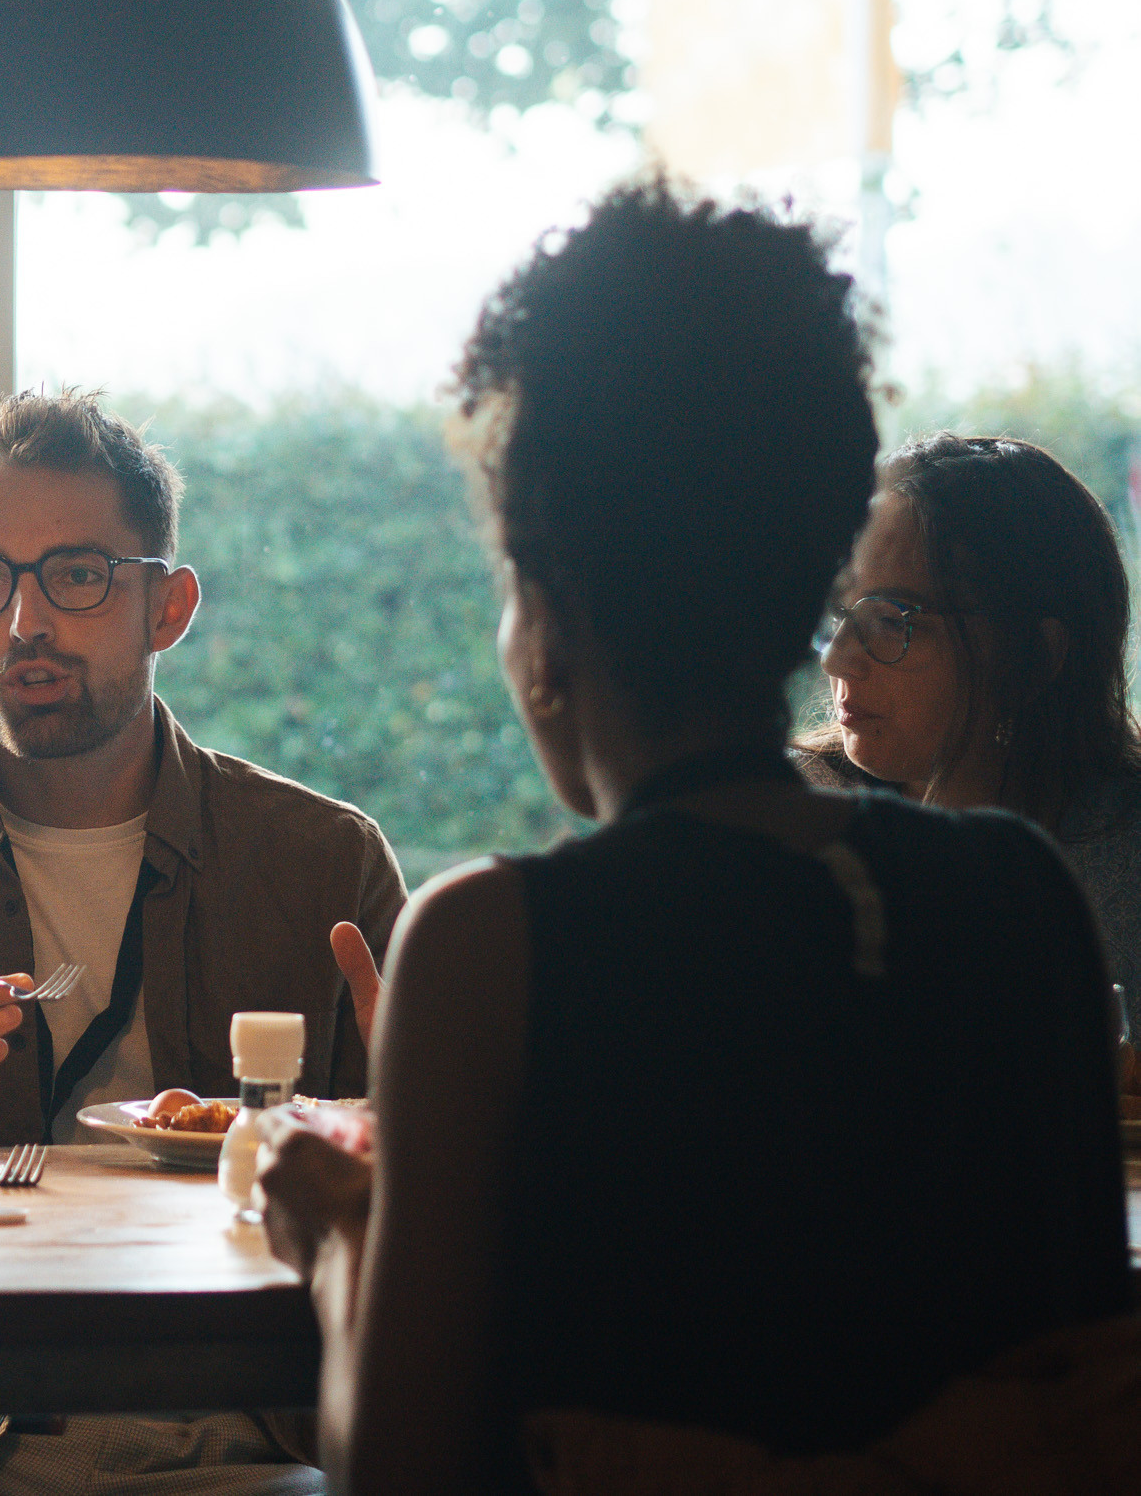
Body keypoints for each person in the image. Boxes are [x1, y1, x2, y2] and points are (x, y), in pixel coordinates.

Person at [255, 184, 1132, 1495]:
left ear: (544, 618)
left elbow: (398, 1472)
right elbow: (1083, 1406)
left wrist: (337, 1232)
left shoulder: (490, 944)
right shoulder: (1024, 897)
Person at [0, 388, 407, 1495]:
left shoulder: (319, 865)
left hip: (253, 1432)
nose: (23, 622)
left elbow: (411, 1220)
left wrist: (405, 1125)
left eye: (77, 575)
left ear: (168, 607)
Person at [805, 432, 1141, 1005]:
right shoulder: (799, 818)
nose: (837, 658)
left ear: (1035, 657)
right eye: (840, 612)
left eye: (891, 619)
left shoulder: (1121, 856)